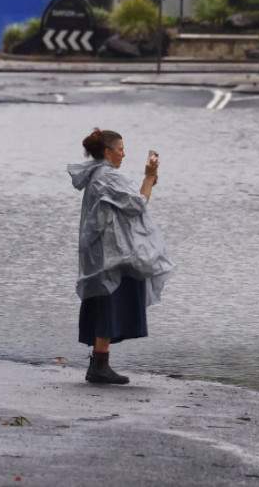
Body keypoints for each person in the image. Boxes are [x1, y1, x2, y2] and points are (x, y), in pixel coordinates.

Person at [68, 128, 175, 385]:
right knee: (109, 299)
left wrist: (149, 179)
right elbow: (138, 204)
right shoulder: (108, 176)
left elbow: (129, 203)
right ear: (107, 152)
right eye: (120, 149)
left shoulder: (97, 174)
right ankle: (99, 366)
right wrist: (149, 178)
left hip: (102, 249)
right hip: (111, 252)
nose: (123, 154)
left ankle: (99, 363)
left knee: (106, 299)